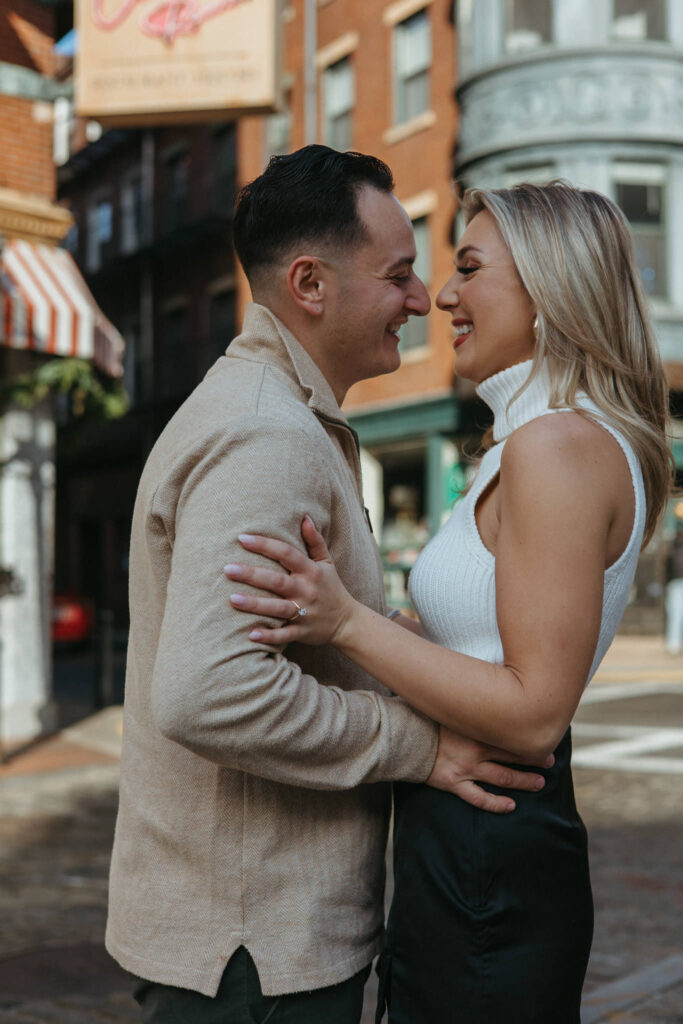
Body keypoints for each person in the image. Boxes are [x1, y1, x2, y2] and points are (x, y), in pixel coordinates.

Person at [105, 146, 548, 1024]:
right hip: (256, 950)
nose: (421, 300)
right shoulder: (266, 436)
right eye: (398, 275)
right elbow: (211, 692)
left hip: (249, 938)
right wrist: (414, 745)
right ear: (310, 284)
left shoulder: (275, 414)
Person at [225, 181, 673, 1024]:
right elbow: (478, 649)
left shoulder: (558, 446)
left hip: (490, 845)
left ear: (549, 288)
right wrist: (360, 619)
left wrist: (348, 623)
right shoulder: (529, 440)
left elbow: (535, 709)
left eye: (468, 267)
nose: (443, 297)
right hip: (464, 838)